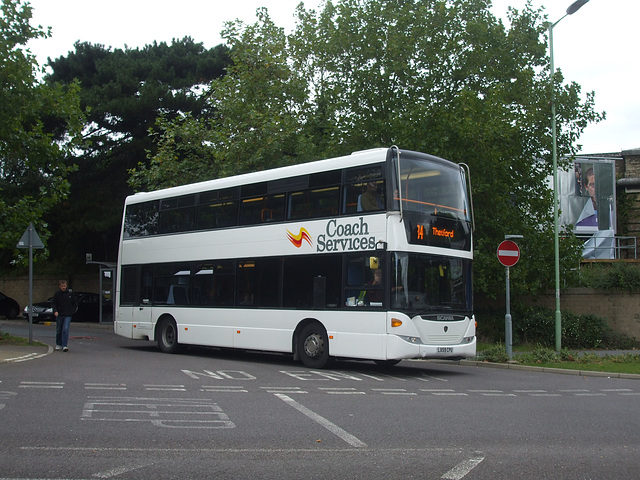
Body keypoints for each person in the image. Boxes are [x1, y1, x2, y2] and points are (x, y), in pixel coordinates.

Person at [52, 279, 77, 352]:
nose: (63, 287)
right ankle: (58, 344)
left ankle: (64, 345)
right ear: (60, 286)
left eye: (65, 286)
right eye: (62, 286)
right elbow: (54, 303)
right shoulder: (57, 294)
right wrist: (55, 311)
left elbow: (75, 303)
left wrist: (72, 311)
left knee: (65, 329)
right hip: (59, 314)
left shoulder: (70, 294)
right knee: (59, 330)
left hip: (68, 315)